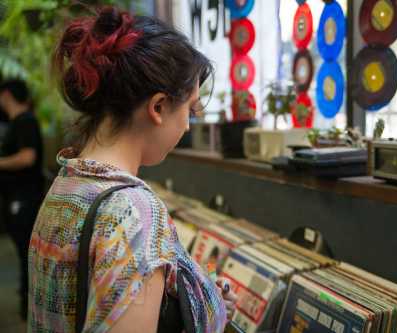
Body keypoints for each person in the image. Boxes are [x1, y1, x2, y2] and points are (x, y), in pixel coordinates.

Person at [28, 6, 236, 333]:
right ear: (158, 107)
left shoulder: (67, 184)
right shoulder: (135, 213)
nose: (186, 127)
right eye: (190, 109)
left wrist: (195, 299)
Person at [0, 79, 44, 321]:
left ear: (6, 94)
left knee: (27, 253)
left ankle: (29, 303)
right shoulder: (17, 122)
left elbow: (28, 157)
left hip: (24, 200)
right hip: (15, 199)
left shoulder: (25, 121)